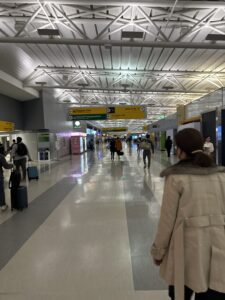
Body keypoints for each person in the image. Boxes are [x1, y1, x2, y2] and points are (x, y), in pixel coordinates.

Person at [151, 128, 225, 300]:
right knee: (212, 290)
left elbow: (167, 220)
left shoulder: (176, 178)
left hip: (187, 249)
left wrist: (158, 252)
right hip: (219, 246)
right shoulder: (221, 175)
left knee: (181, 291)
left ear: (180, 149)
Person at [0, 144, 13, 211]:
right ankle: (2, 205)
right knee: (1, 191)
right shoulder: (1, 156)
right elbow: (6, 166)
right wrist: (12, 165)